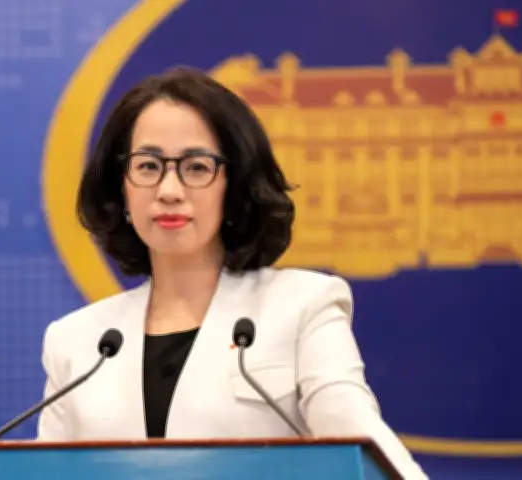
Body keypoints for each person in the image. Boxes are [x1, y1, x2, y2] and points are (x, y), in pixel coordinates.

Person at [36, 66, 428, 479]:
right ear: (122, 188)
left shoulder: (302, 308)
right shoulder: (76, 343)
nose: (169, 190)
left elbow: (363, 443)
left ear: (235, 185)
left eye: (196, 167)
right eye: (148, 166)